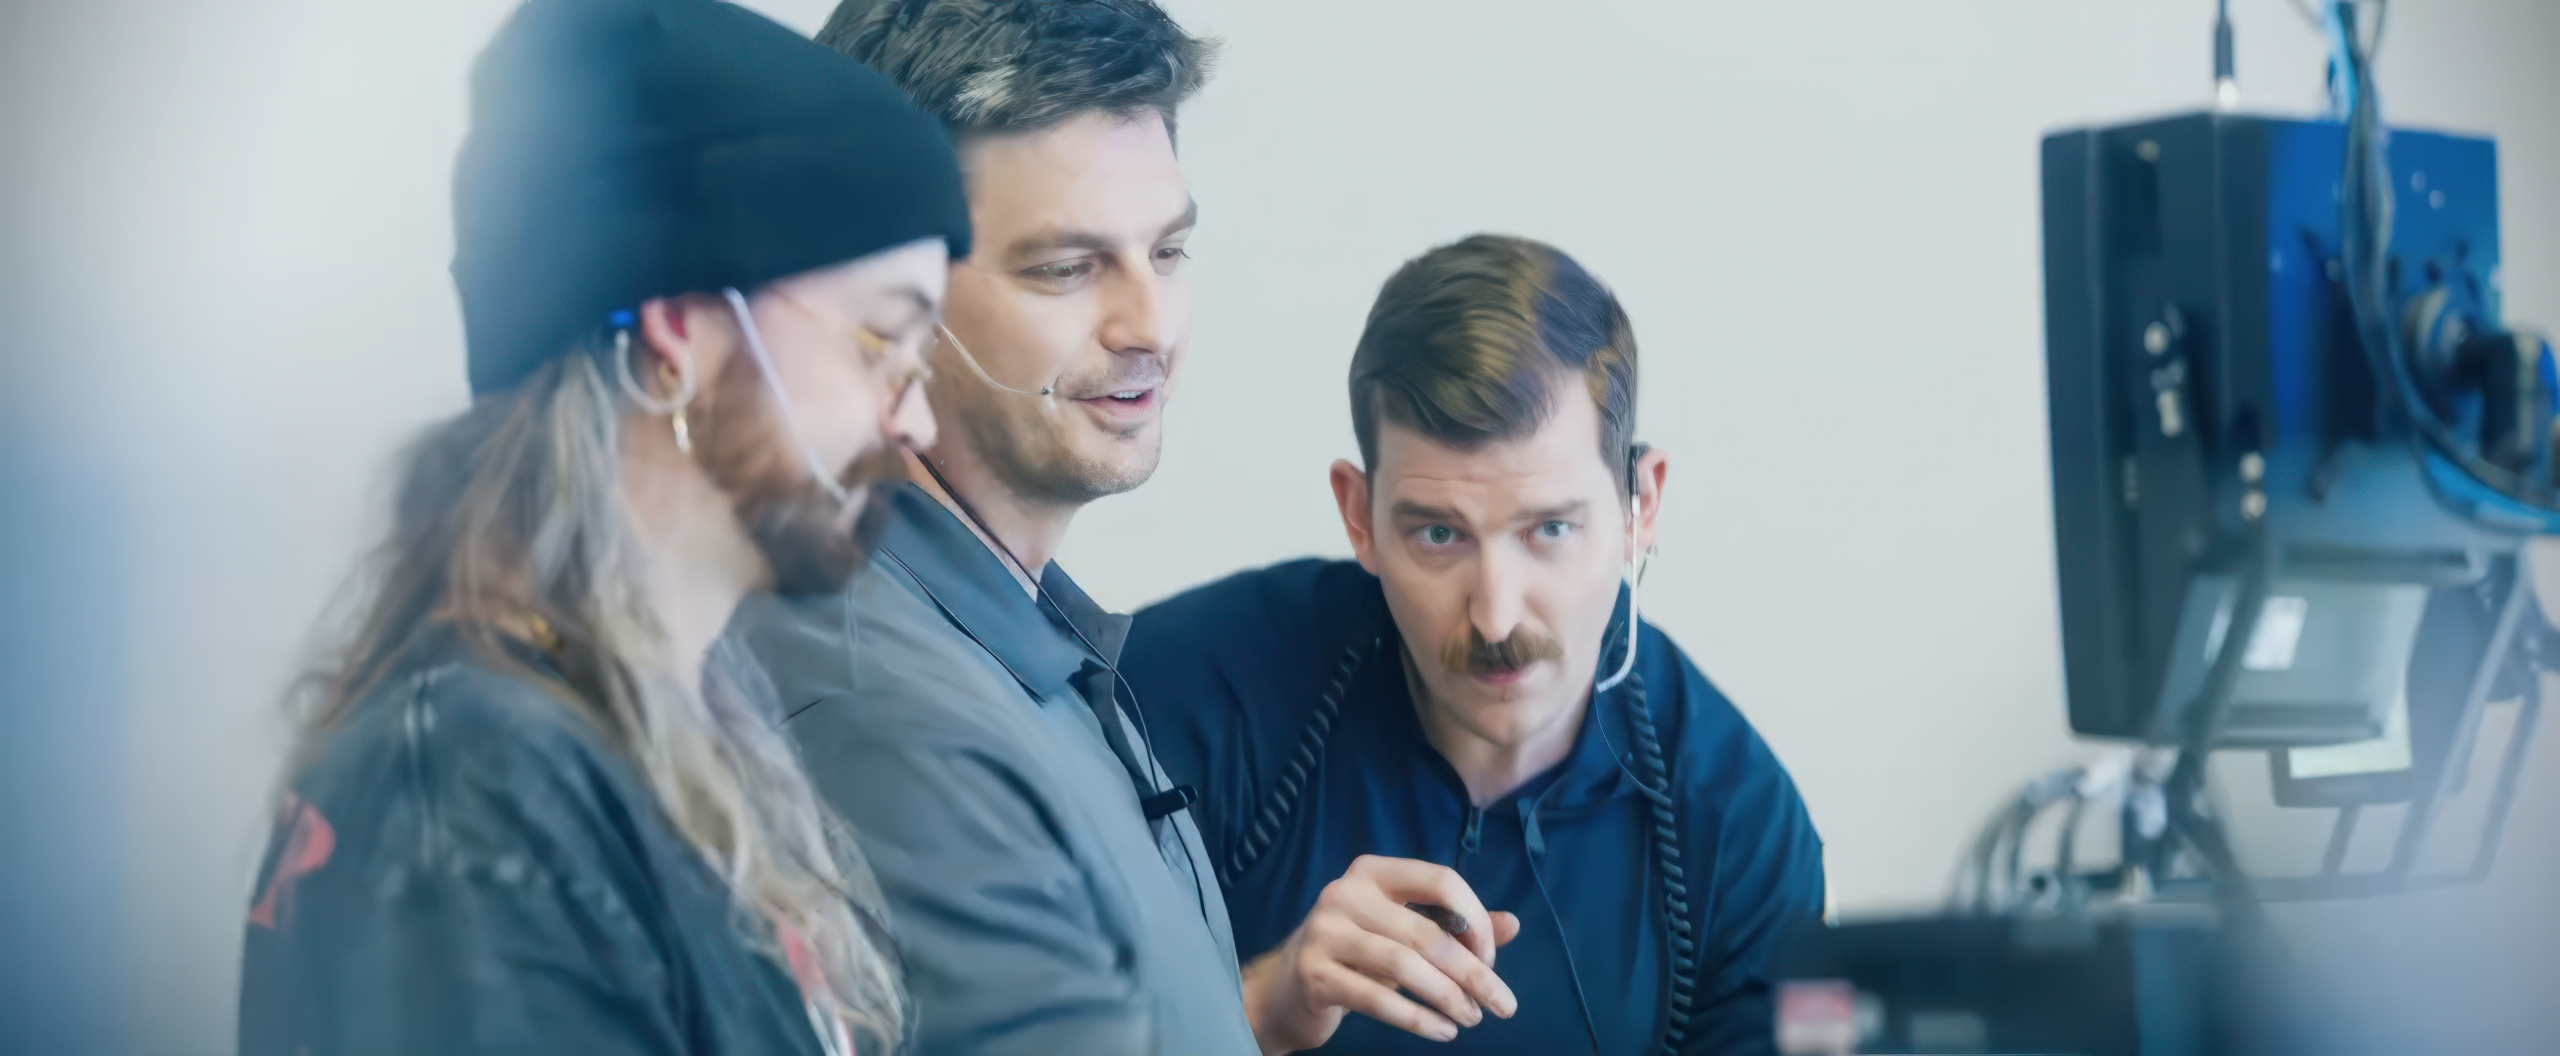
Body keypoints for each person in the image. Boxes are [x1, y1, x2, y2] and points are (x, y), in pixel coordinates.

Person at [739, 3, 1521, 1053]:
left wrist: (1267, 1012)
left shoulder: (1018, 641)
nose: (1149, 324)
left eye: (1168, 249)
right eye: (1066, 268)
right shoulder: (884, 719)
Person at [234, 1, 971, 1052]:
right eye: (882, 343)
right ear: (678, 331)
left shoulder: (671, 740)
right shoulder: (468, 795)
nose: (916, 419)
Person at [1122, 234, 1829, 1056]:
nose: (1494, 618)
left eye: (1551, 529)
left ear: (1641, 505)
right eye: (1438, 534)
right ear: (1360, 517)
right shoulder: (1189, 700)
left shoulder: (1736, 819)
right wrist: (1266, 1006)